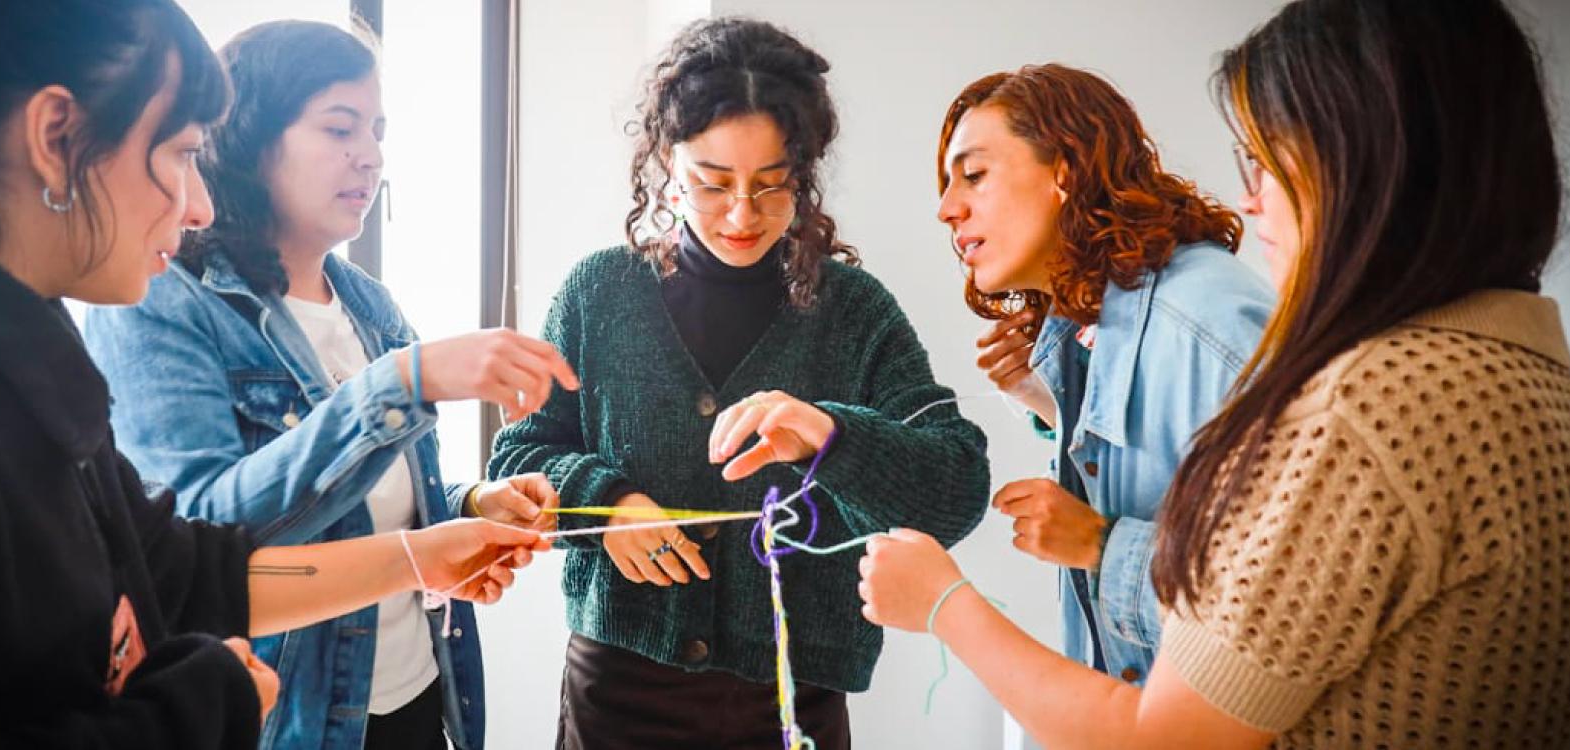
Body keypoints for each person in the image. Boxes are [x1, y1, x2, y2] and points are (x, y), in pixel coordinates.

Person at [0, 2, 545, 747]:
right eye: (182, 154)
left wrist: (427, 550)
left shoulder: (16, 336)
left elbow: (179, 570)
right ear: (56, 135)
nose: (198, 205)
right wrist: (206, 701)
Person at [858, 0, 1570, 747]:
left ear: (1366, 153)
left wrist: (946, 604)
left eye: (1264, 157)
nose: (1252, 198)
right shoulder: (1516, 366)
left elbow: (1170, 731)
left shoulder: (1358, 400)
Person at [487, 17, 989, 749]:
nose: (742, 215)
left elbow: (957, 490)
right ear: (667, 162)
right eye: (711, 183)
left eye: (772, 185)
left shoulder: (854, 313)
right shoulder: (599, 295)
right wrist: (606, 504)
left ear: (806, 171)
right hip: (618, 699)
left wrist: (831, 436)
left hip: (791, 706)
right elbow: (517, 460)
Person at [82, 20, 573, 750]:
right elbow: (195, 551)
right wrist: (404, 382)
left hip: (419, 699)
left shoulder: (369, 304)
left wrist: (468, 506)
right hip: (289, 722)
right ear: (248, 138)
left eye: (377, 131)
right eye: (340, 129)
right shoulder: (165, 298)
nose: (371, 158)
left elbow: (368, 503)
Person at [936, 63, 1272, 684]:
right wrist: (1050, 404)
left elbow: (1288, 600)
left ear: (1064, 170)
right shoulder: (1088, 323)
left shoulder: (1211, 326)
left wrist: (1100, 545)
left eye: (974, 176)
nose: (947, 209)